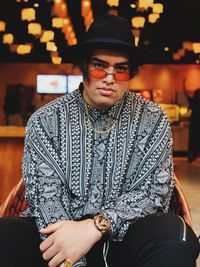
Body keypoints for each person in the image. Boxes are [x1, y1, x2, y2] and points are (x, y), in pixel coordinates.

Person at [0, 14, 199, 267]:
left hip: (126, 235)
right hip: (57, 236)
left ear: (131, 73)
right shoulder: (45, 120)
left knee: (176, 235)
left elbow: (154, 193)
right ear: (84, 67)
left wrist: (96, 227)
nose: (109, 77)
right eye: (99, 65)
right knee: (4, 236)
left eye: (121, 69)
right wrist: (75, 256)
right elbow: (46, 196)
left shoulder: (153, 118)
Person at [183, 78, 200, 162]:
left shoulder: (193, 101)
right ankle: (193, 156)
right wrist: (183, 84)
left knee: (193, 140)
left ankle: (192, 156)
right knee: (194, 140)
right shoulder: (194, 101)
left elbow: (185, 94)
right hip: (195, 124)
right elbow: (186, 94)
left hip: (194, 124)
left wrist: (183, 84)